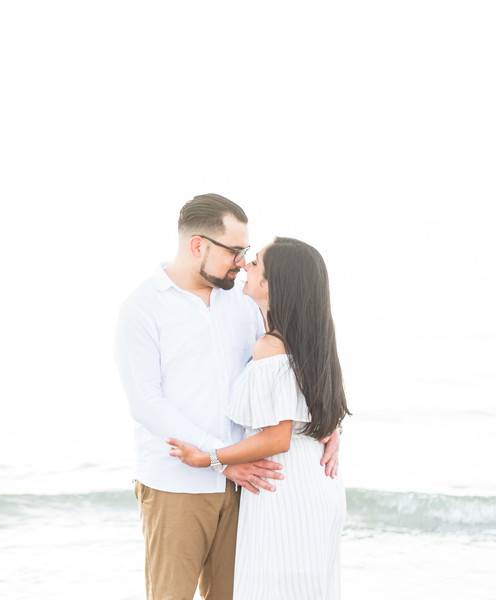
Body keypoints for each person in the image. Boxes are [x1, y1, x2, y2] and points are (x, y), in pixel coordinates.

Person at [115, 194, 340, 600]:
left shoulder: (245, 301)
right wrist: (220, 459)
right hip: (178, 486)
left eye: (246, 252)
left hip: (246, 489)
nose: (241, 261)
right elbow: (146, 403)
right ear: (197, 245)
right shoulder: (143, 307)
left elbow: (295, 362)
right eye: (235, 251)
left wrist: (328, 422)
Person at [168, 237, 350, 599]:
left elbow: (275, 438)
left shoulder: (271, 346)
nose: (246, 265)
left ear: (271, 284)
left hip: (282, 482)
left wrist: (208, 459)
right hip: (312, 481)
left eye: (256, 264)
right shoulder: (310, 341)